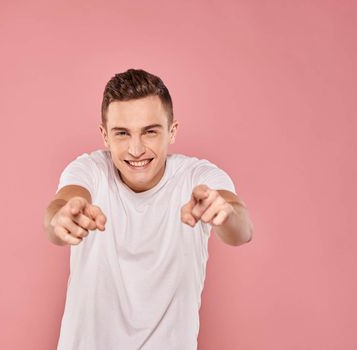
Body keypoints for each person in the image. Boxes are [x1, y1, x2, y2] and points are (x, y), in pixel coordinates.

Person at [43, 68, 253, 350]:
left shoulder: (198, 177)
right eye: (122, 133)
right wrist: (60, 218)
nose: (136, 149)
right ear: (104, 136)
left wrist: (224, 212)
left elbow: (241, 230)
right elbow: (59, 208)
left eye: (150, 132)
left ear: (172, 131)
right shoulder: (89, 170)